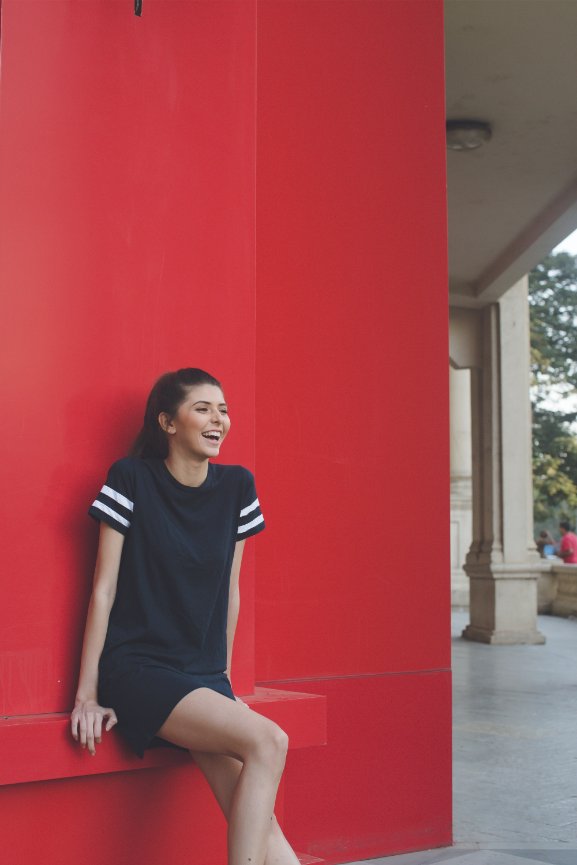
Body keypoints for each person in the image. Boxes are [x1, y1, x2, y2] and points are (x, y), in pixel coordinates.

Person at [71, 368, 300, 865]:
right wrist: (87, 694)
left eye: (223, 410)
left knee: (264, 828)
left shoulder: (238, 487)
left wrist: (223, 680)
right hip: (140, 669)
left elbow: (230, 590)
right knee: (270, 740)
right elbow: (103, 589)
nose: (219, 419)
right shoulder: (131, 478)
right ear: (168, 423)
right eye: (203, 409)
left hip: (203, 675)